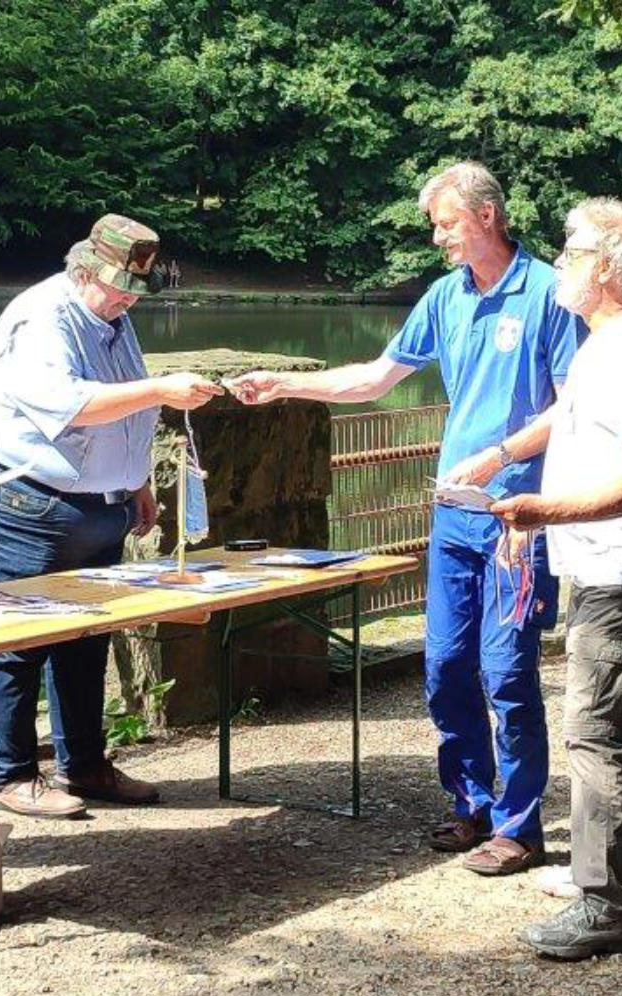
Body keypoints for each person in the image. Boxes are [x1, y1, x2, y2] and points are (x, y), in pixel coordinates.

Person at [227, 162, 582, 876]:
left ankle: (520, 827)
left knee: (507, 673)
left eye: (446, 224)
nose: (437, 237)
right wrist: (284, 385)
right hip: (453, 515)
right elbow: (374, 378)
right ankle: (471, 803)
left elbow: (574, 404)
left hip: (518, 517)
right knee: (445, 667)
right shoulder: (445, 296)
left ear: (486, 216)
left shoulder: (550, 292)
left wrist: (500, 456)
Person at [0, 214, 222, 819]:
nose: (129, 299)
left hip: (95, 505)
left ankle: (83, 764)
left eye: (136, 289)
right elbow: (72, 405)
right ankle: (12, 775)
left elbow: (124, 408)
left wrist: (135, 482)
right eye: (119, 287)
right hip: (26, 505)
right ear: (82, 271)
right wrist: (162, 390)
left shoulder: (110, 316)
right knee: (17, 642)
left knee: (85, 639)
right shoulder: (40, 319)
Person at [493, 197, 622, 960]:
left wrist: (541, 511)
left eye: (572, 253)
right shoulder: (612, 342)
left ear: (607, 269)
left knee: (593, 730)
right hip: (618, 559)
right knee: (616, 721)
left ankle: (604, 905)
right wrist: (505, 469)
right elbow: (580, 426)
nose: (558, 264)